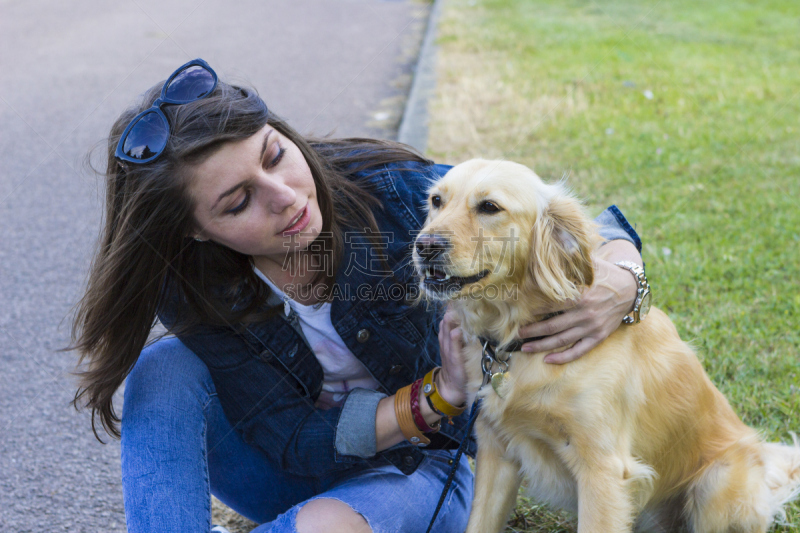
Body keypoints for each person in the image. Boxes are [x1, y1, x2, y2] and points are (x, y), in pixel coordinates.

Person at [70, 59, 644, 533]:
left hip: (419, 470)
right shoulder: (195, 282)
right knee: (163, 365)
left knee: (324, 526)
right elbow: (293, 441)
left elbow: (556, 215)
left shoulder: (390, 191)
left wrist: (621, 280)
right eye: (237, 202)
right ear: (196, 230)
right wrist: (436, 395)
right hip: (285, 466)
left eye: (274, 156)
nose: (286, 197)